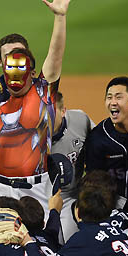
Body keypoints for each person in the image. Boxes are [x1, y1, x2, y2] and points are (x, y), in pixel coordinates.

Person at [0, 0, 75, 218]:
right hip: (0, 189)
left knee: (39, 246)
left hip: (36, 190)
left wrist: (60, 18)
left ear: (32, 73)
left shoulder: (43, 94)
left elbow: (55, 57)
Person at [84, 76, 128, 216]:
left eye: (118, 97)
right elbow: (94, 183)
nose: (113, 102)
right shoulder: (98, 138)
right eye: (109, 97)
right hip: (114, 205)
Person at [50, 91, 95, 240]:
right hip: (41, 196)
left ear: (63, 111)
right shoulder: (31, 134)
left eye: (51, 113)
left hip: (71, 196)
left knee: (70, 240)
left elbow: (99, 144)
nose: (45, 119)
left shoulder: (80, 120)